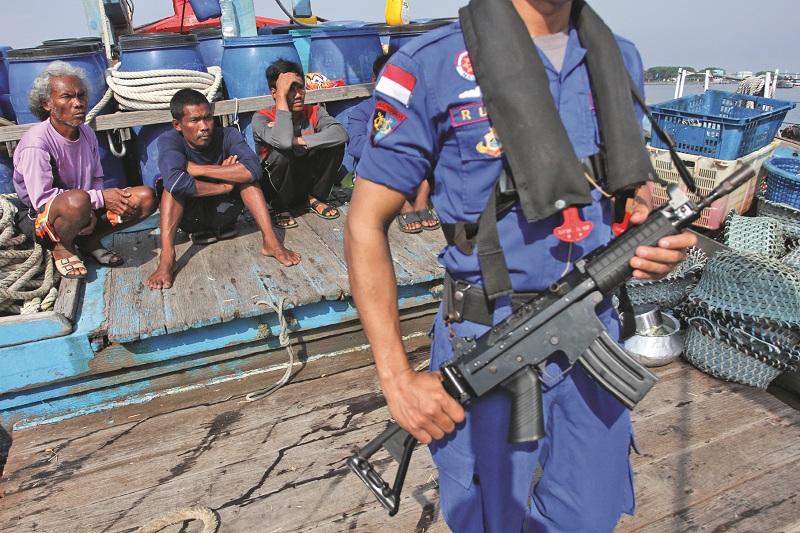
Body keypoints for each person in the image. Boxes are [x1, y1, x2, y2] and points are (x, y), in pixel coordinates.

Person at [344, 0, 698, 531]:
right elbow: (363, 225)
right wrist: (395, 378)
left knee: (589, 514)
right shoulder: (430, 65)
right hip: (489, 343)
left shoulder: (618, 58)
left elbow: (630, 194)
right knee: (492, 518)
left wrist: (655, 238)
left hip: (592, 332)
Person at [13, 61, 157, 279]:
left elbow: (97, 177)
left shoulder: (86, 133)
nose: (78, 103)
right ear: (47, 104)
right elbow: (42, 200)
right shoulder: (37, 143)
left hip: (82, 207)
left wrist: (92, 208)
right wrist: (96, 200)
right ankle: (62, 247)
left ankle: (88, 240)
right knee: (77, 200)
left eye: (81, 96)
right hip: (42, 220)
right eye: (67, 97)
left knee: (145, 198)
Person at [147, 89, 300, 290]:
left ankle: (271, 241)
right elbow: (175, 182)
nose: (204, 127)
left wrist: (200, 170)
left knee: (249, 181)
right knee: (169, 190)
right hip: (191, 219)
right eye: (194, 121)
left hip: (226, 213)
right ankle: (167, 259)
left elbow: (254, 169)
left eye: (208, 118)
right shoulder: (169, 141)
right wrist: (225, 184)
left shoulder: (228, 134)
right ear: (177, 125)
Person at [346, 53, 439, 234]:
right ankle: (402, 206)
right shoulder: (362, 111)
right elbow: (355, 146)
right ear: (375, 80)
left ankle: (421, 200)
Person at [252, 58, 348, 229]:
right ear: (274, 92)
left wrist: (296, 140)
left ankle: (315, 197)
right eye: (290, 89)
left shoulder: (314, 111)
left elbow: (340, 134)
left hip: (305, 180)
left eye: (300, 87)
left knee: (333, 144)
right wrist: (282, 99)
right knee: (281, 152)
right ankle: (280, 208)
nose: (298, 94)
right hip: (276, 187)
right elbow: (282, 143)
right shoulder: (262, 117)